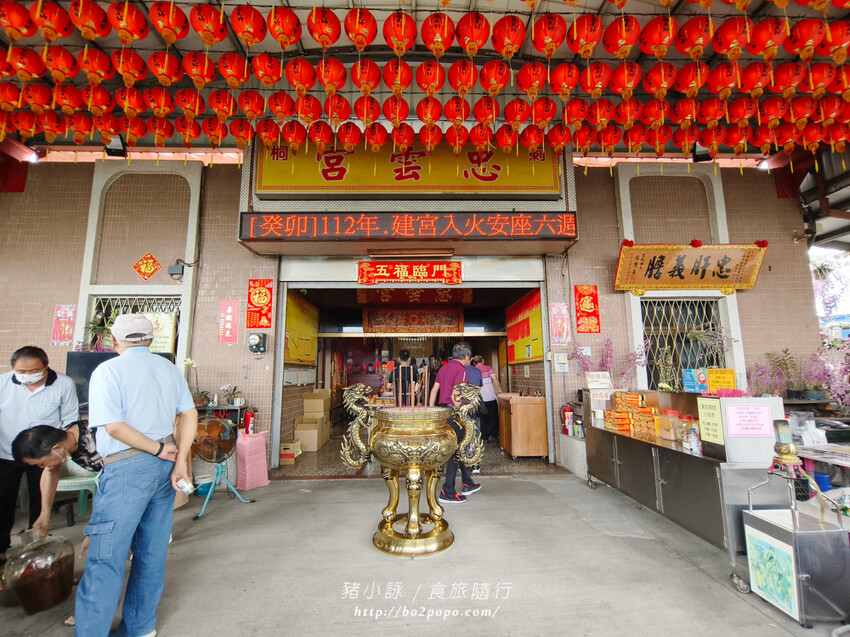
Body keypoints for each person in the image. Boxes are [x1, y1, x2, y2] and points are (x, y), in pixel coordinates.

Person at [74, 314, 198, 637]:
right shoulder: (170, 370)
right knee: (151, 552)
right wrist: (179, 459)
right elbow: (189, 413)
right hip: (166, 467)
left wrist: (155, 449)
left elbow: (114, 426)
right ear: (149, 340)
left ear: (114, 343)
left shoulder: (109, 371)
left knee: (106, 557)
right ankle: (141, 628)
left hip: (128, 468)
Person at [0, 346, 79, 555]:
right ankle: (1, 551)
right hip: (6, 453)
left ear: (46, 365)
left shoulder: (64, 384)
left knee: (41, 500)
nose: (27, 376)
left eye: (32, 371)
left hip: (44, 455)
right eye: (21, 372)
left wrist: (59, 452)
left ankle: (38, 547)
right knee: (3, 504)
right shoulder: (2, 383)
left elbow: (70, 419)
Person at [12, 422, 103, 538]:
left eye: (41, 463)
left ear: (57, 448)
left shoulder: (96, 439)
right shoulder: (64, 437)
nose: (42, 467)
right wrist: (45, 512)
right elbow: (51, 470)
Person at [429, 342, 481, 504]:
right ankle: (448, 491)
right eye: (469, 358)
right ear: (466, 357)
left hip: (442, 412)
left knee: (458, 447)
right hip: (455, 414)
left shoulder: (443, 369)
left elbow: (434, 390)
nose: (469, 361)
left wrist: (432, 411)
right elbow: (456, 395)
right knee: (455, 451)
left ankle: (467, 482)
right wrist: (463, 410)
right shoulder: (461, 371)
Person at [472, 355, 503, 443]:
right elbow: (495, 379)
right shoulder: (489, 368)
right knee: (493, 417)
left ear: (474, 363)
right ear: (483, 361)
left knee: (482, 418)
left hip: (480, 399)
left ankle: (484, 437)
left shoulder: (474, 371)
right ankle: (493, 436)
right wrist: (499, 389)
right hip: (490, 397)